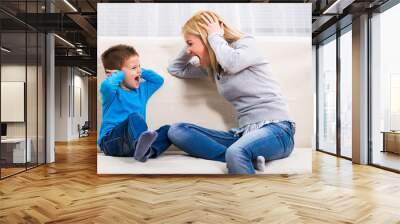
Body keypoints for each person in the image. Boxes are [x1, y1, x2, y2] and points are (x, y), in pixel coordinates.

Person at [167, 11, 295, 174]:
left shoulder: (245, 44)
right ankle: (246, 157)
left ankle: (245, 187)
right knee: (177, 130)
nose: (188, 51)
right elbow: (176, 69)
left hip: (277, 130)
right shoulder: (213, 68)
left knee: (236, 152)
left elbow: (232, 63)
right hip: (244, 134)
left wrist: (212, 36)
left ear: (207, 38)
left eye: (190, 44)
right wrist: (192, 40)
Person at [98, 44, 171, 162]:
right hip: (111, 141)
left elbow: (158, 80)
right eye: (133, 68)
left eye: (139, 67)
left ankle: (146, 151)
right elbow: (107, 85)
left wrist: (138, 70)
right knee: (135, 117)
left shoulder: (142, 91)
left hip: (134, 145)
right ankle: (141, 146)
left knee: (168, 130)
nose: (139, 71)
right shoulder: (112, 93)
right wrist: (120, 74)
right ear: (116, 74)